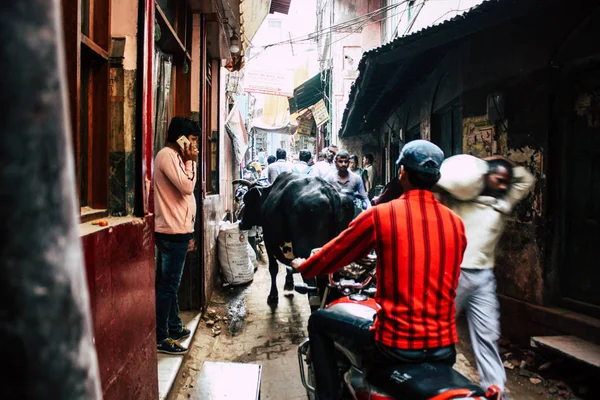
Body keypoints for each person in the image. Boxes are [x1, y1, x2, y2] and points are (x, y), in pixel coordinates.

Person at [291, 140, 467, 400]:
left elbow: (336, 253)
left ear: (402, 173)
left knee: (318, 322)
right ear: (436, 178)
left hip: (394, 344)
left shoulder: (382, 215)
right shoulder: (457, 223)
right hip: (444, 347)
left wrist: (304, 266)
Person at [438, 155, 534, 397]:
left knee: (487, 334)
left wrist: (499, 161)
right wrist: (483, 165)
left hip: (484, 280)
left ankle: (495, 388)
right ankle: (435, 380)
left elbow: (526, 179)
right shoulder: (459, 200)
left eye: (505, 182)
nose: (503, 186)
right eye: (498, 179)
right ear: (483, 177)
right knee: (440, 331)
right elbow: (444, 184)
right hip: (454, 275)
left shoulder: (501, 202)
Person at [153, 117, 200, 355]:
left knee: (169, 284)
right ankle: (162, 336)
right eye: (192, 140)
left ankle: (174, 325)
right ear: (181, 138)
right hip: (171, 232)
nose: (195, 146)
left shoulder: (176, 157)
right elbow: (186, 188)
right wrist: (191, 162)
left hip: (178, 230)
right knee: (169, 286)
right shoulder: (167, 156)